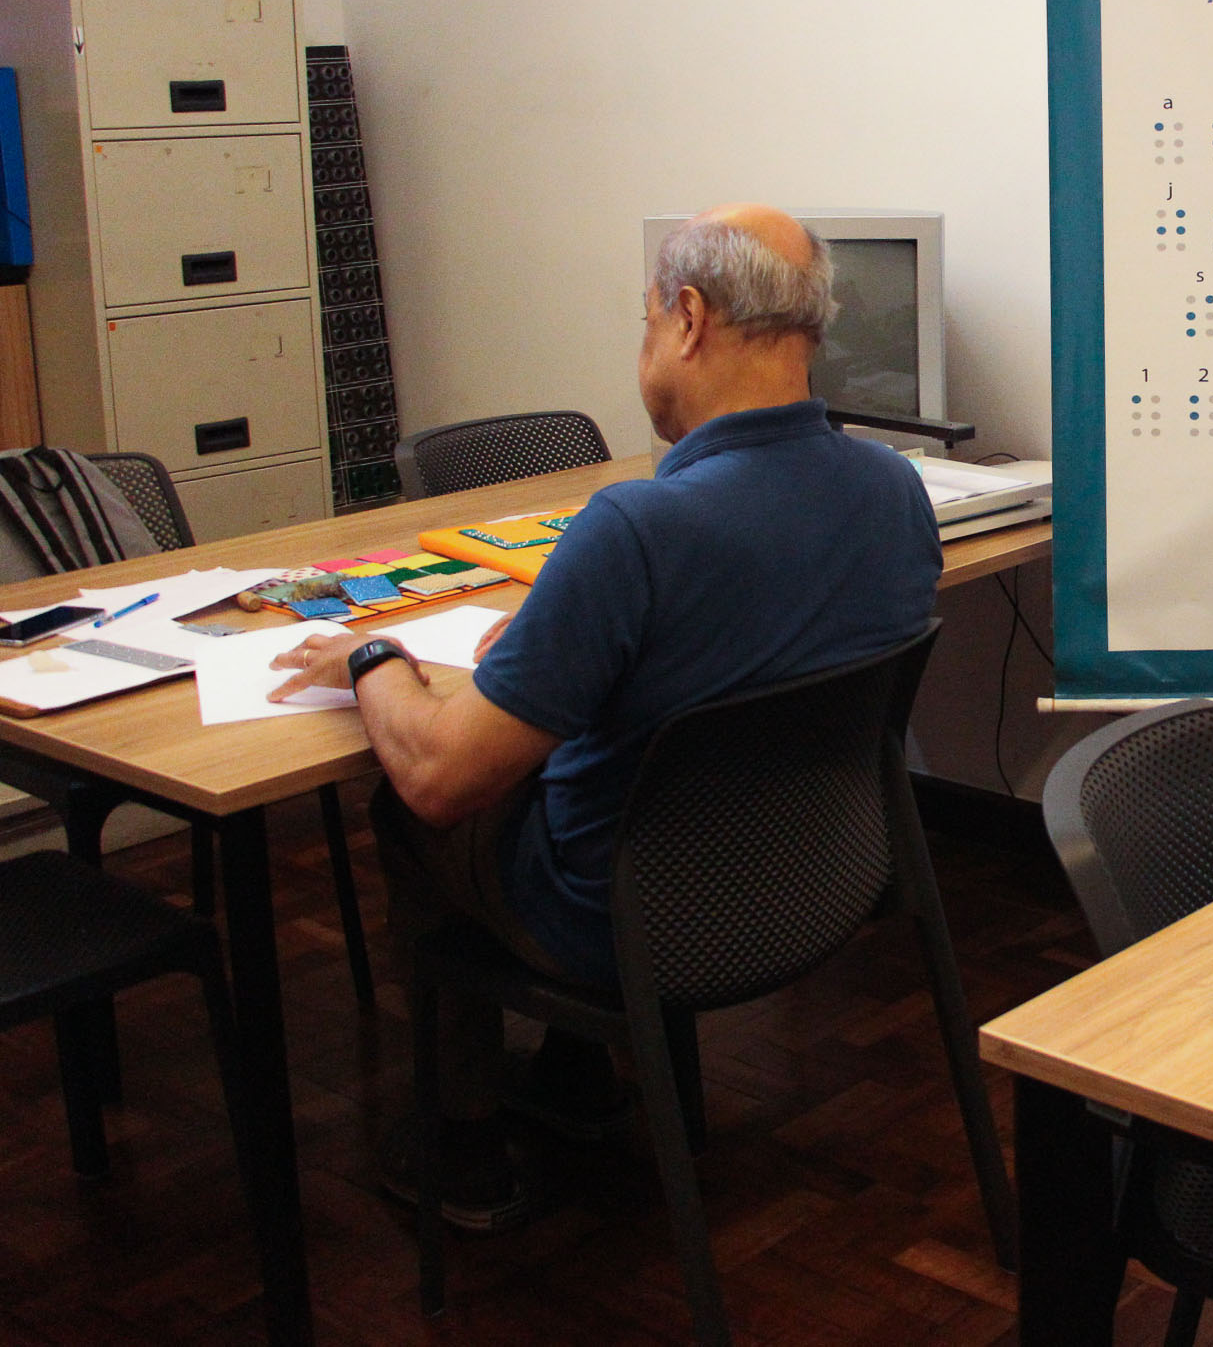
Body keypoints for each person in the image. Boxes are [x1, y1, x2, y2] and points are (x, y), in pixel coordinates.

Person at [266, 204, 941, 1228]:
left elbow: (441, 773)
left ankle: (462, 1145)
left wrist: (373, 659)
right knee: (581, 756)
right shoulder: (894, 491)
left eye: (644, 320)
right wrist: (555, 646)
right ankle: (580, 1078)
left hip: (623, 920)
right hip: (817, 884)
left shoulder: (638, 525)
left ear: (687, 317)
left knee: (413, 814)